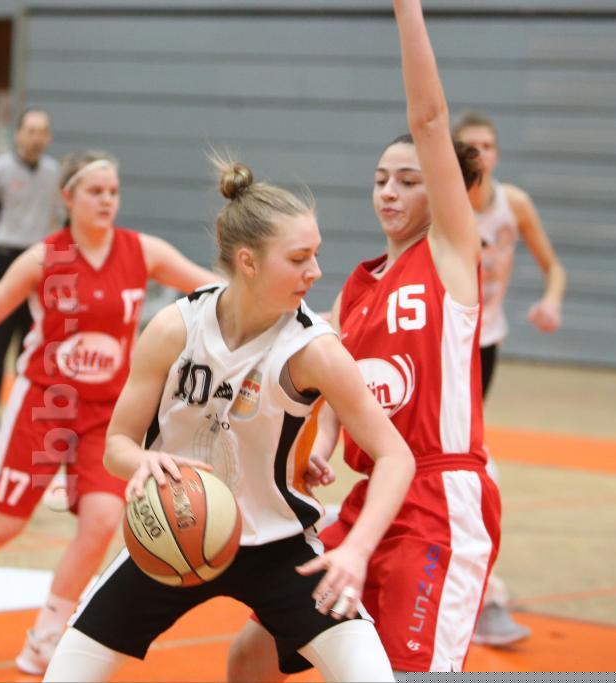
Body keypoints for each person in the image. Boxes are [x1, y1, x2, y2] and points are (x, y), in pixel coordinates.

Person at [41, 157, 416, 683]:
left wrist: (356, 549)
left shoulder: (314, 350)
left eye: (316, 254)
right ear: (248, 261)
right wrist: (142, 462)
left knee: (371, 676)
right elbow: (118, 445)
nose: (315, 271)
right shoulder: (175, 329)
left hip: (279, 545)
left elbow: (396, 455)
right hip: (173, 531)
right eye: (299, 258)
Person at [226, 0, 500, 678]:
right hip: (371, 495)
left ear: (441, 191)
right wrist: (321, 444)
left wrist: (406, 9)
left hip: (440, 498)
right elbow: (338, 385)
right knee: (252, 649)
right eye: (380, 180)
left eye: (408, 180)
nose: (389, 191)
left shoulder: (449, 253)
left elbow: (429, 120)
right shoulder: (356, 285)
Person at [0, 151, 218, 675]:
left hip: (106, 413)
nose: (107, 200)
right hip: (45, 405)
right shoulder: (43, 259)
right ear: (68, 198)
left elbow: (211, 290)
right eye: (95, 192)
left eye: (113, 192)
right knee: (3, 524)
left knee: (102, 519)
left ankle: (46, 635)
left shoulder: (142, 250)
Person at [453, 110, 566, 646]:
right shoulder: (445, 202)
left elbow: (554, 266)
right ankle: (482, 594)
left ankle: (479, 592)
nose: (481, 153)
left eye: (488, 145)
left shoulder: (512, 203)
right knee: (466, 460)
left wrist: (551, 301)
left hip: (487, 344)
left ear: (497, 153)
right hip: (448, 343)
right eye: (470, 145)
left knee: (466, 456)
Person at [0, 108, 63, 446]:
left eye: (42, 131)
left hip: (41, 264)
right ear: (19, 134)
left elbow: (59, 220)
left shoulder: (55, 173)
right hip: (5, 260)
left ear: (48, 137)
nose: (36, 137)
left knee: (35, 348)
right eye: (31, 130)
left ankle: (26, 422)